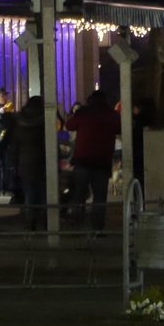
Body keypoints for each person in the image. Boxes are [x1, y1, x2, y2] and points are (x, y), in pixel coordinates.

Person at [64, 90, 120, 232]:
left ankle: (77, 225)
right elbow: (120, 128)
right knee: (100, 197)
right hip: (102, 161)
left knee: (80, 194)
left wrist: (77, 113)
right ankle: (97, 228)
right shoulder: (112, 115)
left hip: (82, 160)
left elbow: (69, 125)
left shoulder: (84, 113)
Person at [16, 95, 49, 229]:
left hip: (25, 163)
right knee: (45, 193)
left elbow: (15, 145)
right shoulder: (43, 122)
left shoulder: (20, 122)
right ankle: (47, 222)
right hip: (42, 162)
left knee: (29, 193)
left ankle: (30, 223)